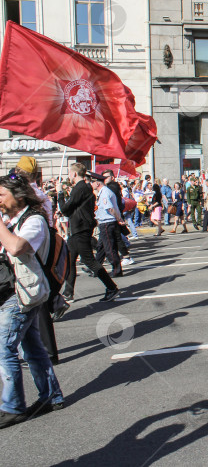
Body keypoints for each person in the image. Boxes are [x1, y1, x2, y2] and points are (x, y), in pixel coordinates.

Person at [0, 175, 64, 428]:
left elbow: (17, 248)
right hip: (12, 291)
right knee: (33, 348)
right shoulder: (11, 221)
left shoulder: (34, 221)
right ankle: (52, 395)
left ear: (20, 196)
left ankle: (12, 407)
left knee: (4, 347)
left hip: (23, 294)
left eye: (2, 195)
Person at [58, 163, 119, 302]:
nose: (68, 175)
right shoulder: (82, 188)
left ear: (74, 174)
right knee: (70, 261)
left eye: (69, 172)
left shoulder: (80, 188)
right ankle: (68, 292)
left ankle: (111, 288)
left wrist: (60, 194)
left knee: (90, 261)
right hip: (77, 229)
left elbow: (65, 209)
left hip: (80, 229)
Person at [89, 173, 124, 279]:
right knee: (101, 247)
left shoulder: (104, 193)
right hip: (105, 223)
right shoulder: (102, 191)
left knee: (109, 248)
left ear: (97, 183)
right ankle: (96, 268)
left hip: (107, 223)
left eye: (92, 182)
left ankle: (116, 269)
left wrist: (119, 219)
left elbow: (110, 208)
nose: (91, 184)